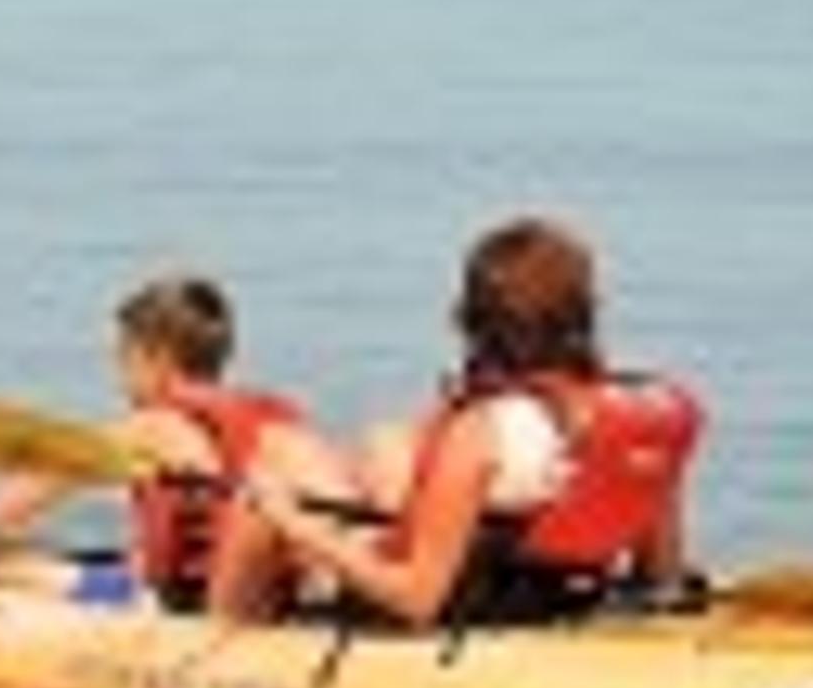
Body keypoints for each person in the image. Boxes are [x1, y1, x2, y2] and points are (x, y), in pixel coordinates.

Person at [216, 215, 701, 630]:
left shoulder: (482, 431)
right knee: (364, 444)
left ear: (474, 321)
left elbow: (417, 599)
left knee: (260, 495)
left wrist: (293, 525)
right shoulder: (634, 413)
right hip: (553, 595)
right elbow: (661, 575)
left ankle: (213, 655)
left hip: (458, 611)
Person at [0, 273, 307, 611]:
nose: (119, 379)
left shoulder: (152, 425)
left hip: (179, 603)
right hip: (265, 594)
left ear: (157, 360)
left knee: (2, 567)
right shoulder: (270, 416)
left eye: (124, 359)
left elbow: (51, 476)